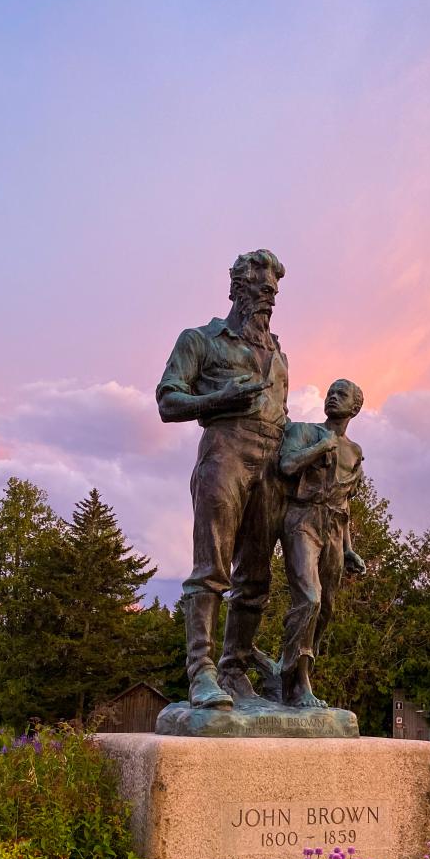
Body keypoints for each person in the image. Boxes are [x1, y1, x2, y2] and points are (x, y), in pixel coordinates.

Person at [156, 250, 288, 708]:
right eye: (261, 289)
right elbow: (168, 401)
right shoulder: (201, 340)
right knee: (211, 568)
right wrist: (218, 399)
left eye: (273, 292)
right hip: (224, 454)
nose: (269, 298)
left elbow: (282, 418)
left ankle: (234, 670)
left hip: (271, 467)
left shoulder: (279, 355)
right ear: (238, 288)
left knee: (256, 579)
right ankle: (201, 673)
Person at [278, 378, 366, 708]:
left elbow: (344, 505)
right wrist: (319, 448)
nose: (331, 397)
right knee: (310, 598)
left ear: (355, 407)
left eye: (340, 394)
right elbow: (286, 466)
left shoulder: (355, 453)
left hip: (332, 528)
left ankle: (290, 672)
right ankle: (297, 682)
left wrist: (347, 548)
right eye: (330, 392)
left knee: (325, 608)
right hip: (302, 519)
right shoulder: (305, 432)